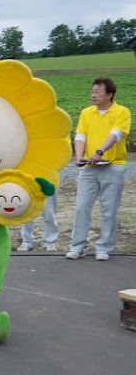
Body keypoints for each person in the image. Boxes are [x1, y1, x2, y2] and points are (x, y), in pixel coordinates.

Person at [66, 77, 130, 261]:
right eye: (92, 91)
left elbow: (116, 134)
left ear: (109, 95)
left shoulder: (121, 112)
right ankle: (78, 246)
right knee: (81, 207)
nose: (93, 95)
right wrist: (78, 155)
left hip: (114, 165)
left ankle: (104, 247)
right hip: (88, 167)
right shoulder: (87, 112)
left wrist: (100, 151)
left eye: (98, 92)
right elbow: (80, 135)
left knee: (109, 208)